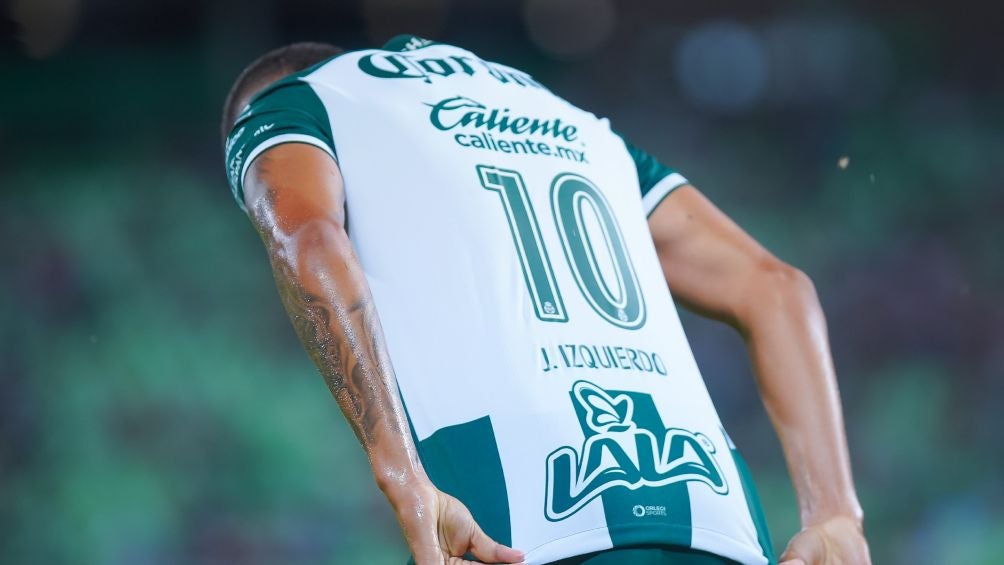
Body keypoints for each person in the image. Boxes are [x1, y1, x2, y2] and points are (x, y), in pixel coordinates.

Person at [220, 35, 871, 565]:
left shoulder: (296, 104)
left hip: (523, 523)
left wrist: (402, 478)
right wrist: (837, 513)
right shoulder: (578, 125)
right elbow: (778, 287)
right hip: (718, 520)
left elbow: (307, 238)